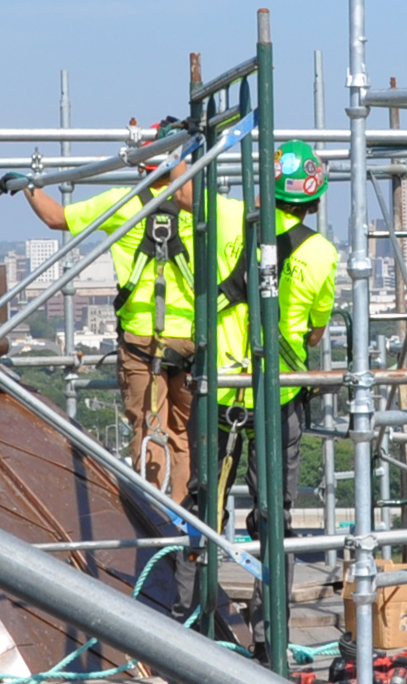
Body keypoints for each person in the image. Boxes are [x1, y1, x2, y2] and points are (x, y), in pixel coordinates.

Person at [15, 120, 243, 504]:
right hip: (193, 339)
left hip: (142, 341)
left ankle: (153, 515)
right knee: (185, 435)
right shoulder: (205, 208)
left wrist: (26, 184)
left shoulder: (120, 203)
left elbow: (57, 217)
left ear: (141, 164)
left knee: (147, 428)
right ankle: (186, 520)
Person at [218, 140, 340, 638]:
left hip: (224, 386)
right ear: (312, 200)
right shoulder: (322, 254)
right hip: (279, 393)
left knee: (202, 506)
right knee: (275, 514)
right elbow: (314, 331)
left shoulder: (231, 228)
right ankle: (272, 626)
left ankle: (190, 614)